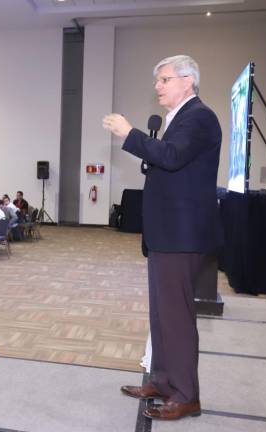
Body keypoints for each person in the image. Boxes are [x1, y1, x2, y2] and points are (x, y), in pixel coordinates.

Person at [103, 55, 221, 421]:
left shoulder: (199, 117)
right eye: (157, 80)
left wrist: (129, 134)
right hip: (167, 233)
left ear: (188, 81)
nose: (157, 86)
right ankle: (164, 380)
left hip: (181, 234)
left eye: (164, 80)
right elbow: (169, 164)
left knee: (177, 316)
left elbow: (171, 157)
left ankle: (186, 395)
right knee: (162, 314)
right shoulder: (179, 118)